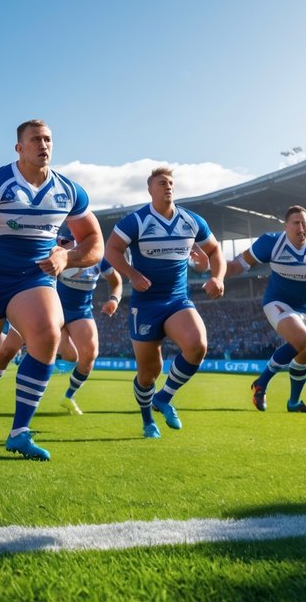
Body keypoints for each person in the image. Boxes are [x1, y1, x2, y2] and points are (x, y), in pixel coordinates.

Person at [0, 120, 102, 461]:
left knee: (46, 333)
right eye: (35, 140)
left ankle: (19, 432)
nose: (43, 145)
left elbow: (95, 242)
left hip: (34, 279)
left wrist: (67, 256)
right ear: (19, 148)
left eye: (48, 139)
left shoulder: (69, 191)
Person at [104, 167, 225, 439]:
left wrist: (218, 277)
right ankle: (147, 420)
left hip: (177, 299)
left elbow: (215, 250)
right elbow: (111, 250)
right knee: (149, 372)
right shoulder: (135, 221)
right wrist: (132, 274)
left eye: (170, 182)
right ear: (150, 189)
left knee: (197, 345)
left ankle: (164, 397)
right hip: (145, 304)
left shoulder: (191, 221)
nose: (167, 186)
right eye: (161, 183)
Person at [225, 205, 306, 414]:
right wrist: (215, 271)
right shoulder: (271, 242)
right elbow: (238, 265)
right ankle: (260, 384)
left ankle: (294, 403)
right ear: (286, 226)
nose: (301, 228)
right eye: (296, 223)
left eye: (305, 224)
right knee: (301, 341)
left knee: (305, 352)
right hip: (277, 302)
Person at [50, 226, 123, 415]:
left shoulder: (99, 258)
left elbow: (116, 282)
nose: (60, 245)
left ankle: (69, 395)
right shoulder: (56, 254)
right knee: (70, 356)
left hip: (81, 312)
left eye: (65, 241)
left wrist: (114, 300)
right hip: (53, 309)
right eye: (60, 241)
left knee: (90, 354)